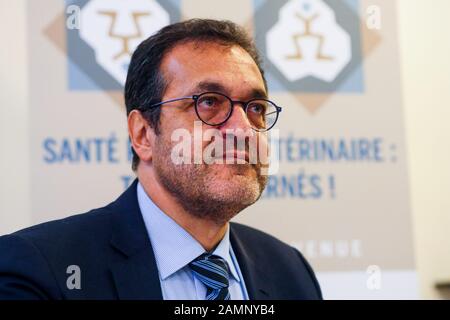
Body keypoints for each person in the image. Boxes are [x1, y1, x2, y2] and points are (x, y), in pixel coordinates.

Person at [0, 19, 322, 300]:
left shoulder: (290, 272)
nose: (243, 130)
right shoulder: (42, 272)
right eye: (208, 102)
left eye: (255, 109)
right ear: (142, 134)